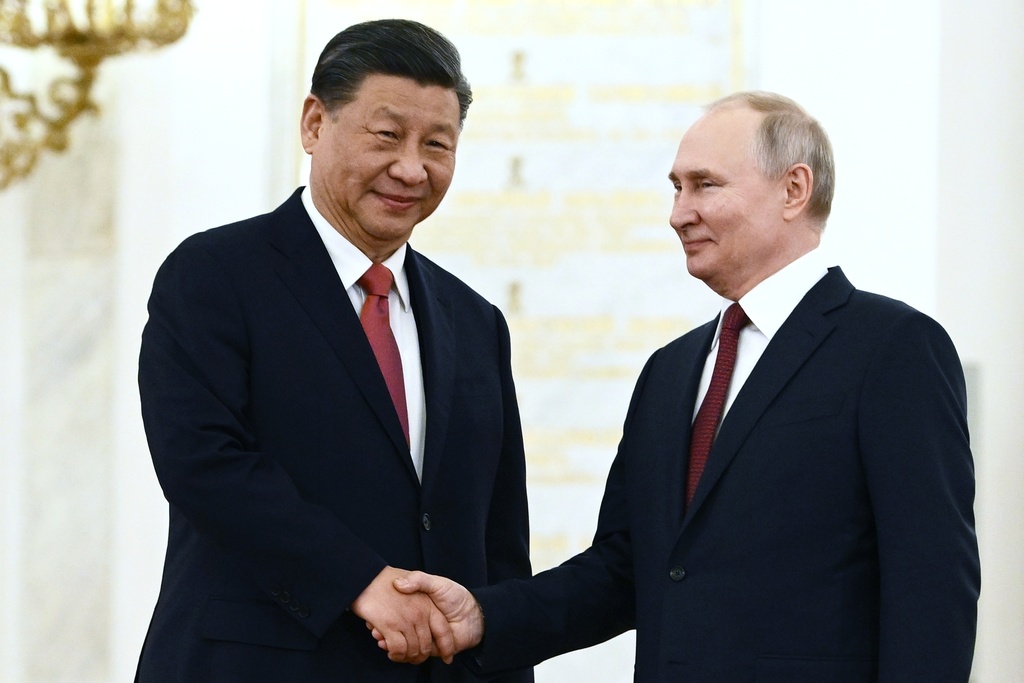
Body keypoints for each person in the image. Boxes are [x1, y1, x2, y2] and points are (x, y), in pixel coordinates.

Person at [386, 91, 981, 681]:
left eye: (705, 185)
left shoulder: (892, 348)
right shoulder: (671, 372)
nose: (678, 212)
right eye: (676, 187)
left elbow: (931, 586)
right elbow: (625, 570)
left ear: (793, 190)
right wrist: (486, 616)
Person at [135, 18, 533, 683]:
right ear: (315, 124)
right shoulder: (214, 276)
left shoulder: (475, 322)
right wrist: (360, 580)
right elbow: (205, 466)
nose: (411, 167)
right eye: (387, 135)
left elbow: (498, 542)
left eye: (438, 144)